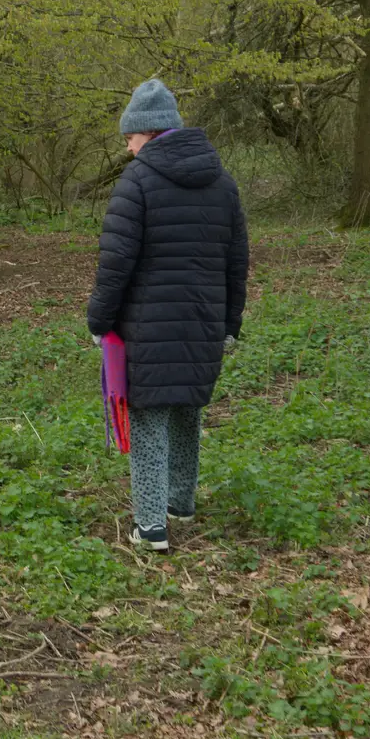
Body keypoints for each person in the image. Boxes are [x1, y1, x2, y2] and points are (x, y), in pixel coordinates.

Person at [86, 79, 249, 553]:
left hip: (148, 329)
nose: (128, 147)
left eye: (130, 138)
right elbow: (236, 261)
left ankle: (151, 526)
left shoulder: (136, 182)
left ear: (148, 133)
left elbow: (115, 263)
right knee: (185, 412)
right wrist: (229, 324)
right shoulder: (223, 182)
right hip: (202, 325)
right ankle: (181, 502)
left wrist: (99, 321)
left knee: (149, 420)